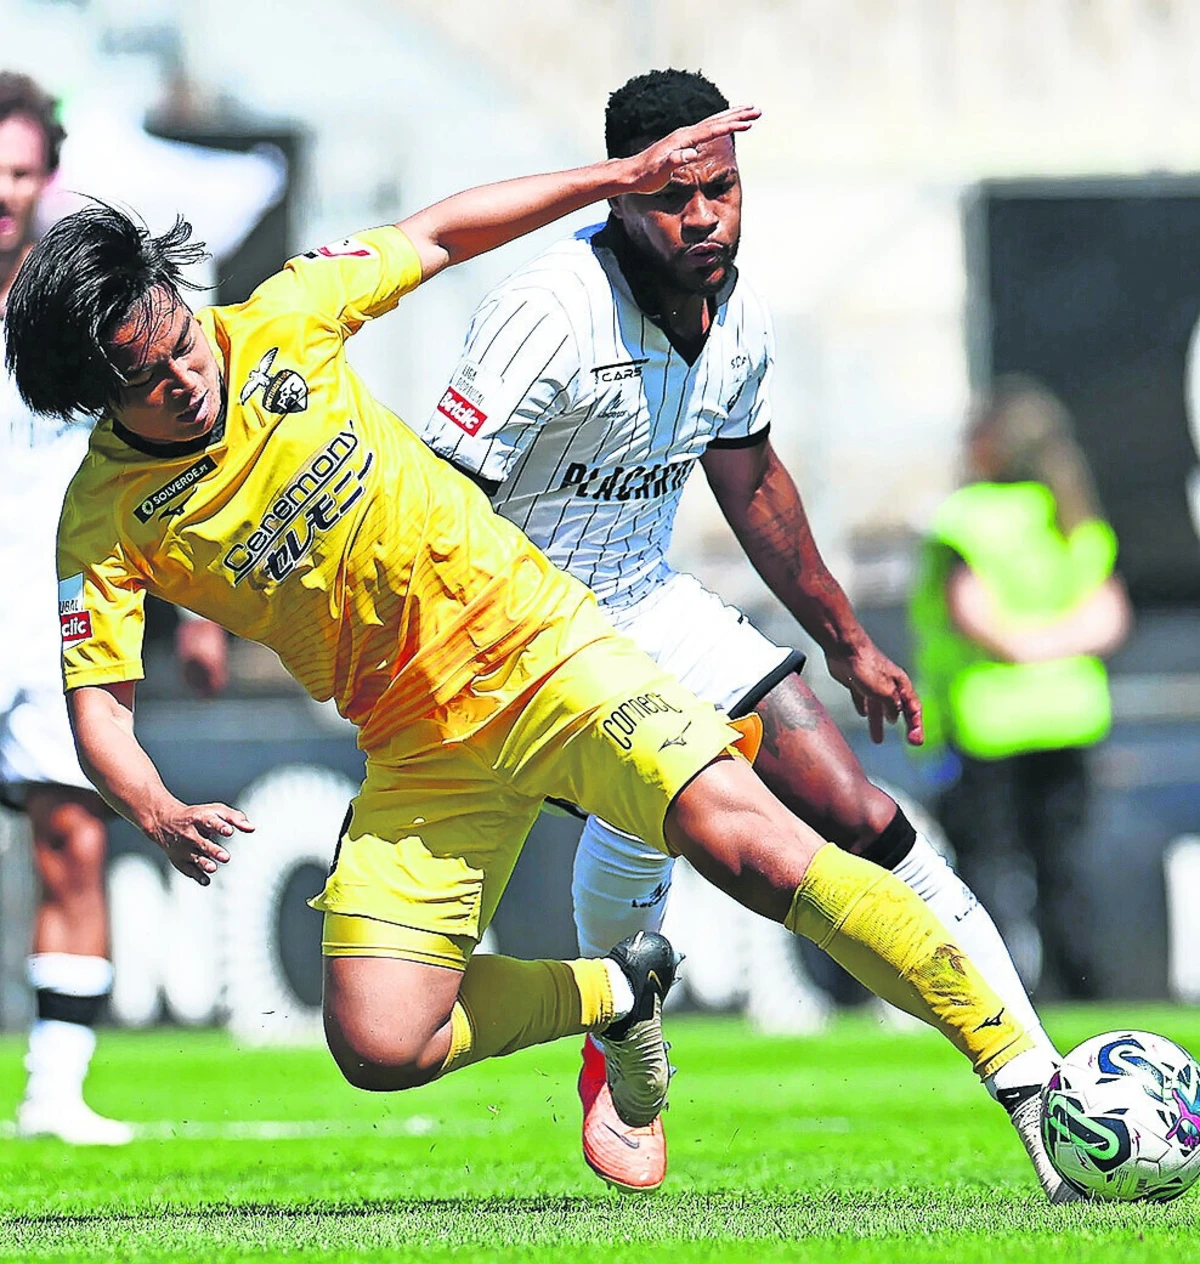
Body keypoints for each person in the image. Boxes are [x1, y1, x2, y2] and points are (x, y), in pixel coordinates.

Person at [6, 108, 1063, 1197]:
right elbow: (102, 708)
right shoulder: (105, 518)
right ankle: (616, 988)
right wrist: (153, 804)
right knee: (379, 1042)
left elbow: (448, 229)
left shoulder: (281, 316)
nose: (187, 372)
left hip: (541, 643)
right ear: (98, 396)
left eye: (181, 336)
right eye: (149, 376)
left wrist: (616, 175)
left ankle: (1033, 1087)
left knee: (753, 846)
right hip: (413, 736)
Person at [417, 68, 1060, 1193]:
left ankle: (1047, 1097)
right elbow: (436, 505)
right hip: (517, 632)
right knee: (394, 1025)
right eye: (675, 197)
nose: (705, 216)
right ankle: (623, 1020)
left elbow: (751, 477)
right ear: (621, 196)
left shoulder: (738, 309)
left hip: (647, 605)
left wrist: (847, 638)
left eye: (721, 188)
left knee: (862, 813)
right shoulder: (546, 311)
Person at [0, 70, 228, 1145]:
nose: (1, 191)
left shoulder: (87, 323)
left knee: (71, 840)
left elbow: (168, 464)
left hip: (53, 609)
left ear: (47, 175)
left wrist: (199, 611)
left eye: (17, 170)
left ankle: (56, 1090)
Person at [911, 378, 1131, 1000]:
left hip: (989, 723)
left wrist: (1024, 648)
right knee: (1066, 867)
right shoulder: (1074, 515)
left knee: (987, 872)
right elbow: (1109, 614)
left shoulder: (966, 518)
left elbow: (973, 614)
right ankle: (1084, 989)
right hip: (1070, 717)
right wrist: (1060, 646)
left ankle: (998, 997)